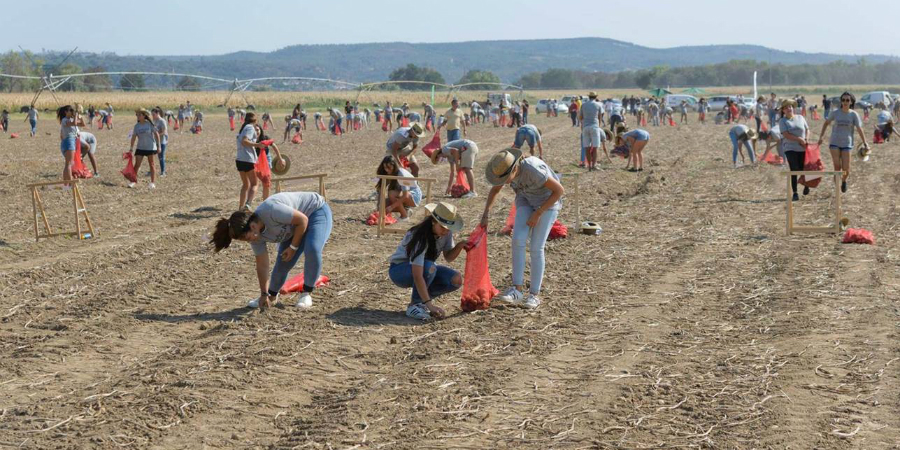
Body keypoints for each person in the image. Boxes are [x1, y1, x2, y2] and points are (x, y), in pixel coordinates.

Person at [210, 191, 331, 310]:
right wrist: (264, 294)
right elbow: (262, 265)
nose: (249, 241)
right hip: (294, 226)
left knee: (312, 248)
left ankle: (306, 293)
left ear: (252, 226)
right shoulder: (254, 236)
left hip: (315, 212)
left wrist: (293, 247)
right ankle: (272, 296)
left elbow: (303, 220)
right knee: (283, 262)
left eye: (247, 238)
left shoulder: (271, 210)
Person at [480, 149, 564, 309]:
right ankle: (516, 291)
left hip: (548, 203)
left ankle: (534, 295)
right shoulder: (503, 169)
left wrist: (538, 213)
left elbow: (559, 191)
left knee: (536, 247)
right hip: (525, 198)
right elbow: (495, 190)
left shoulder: (532, 169)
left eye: (505, 178)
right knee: (518, 239)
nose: (503, 182)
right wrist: (485, 214)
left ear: (514, 169)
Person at [388, 202, 465, 320]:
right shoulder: (420, 236)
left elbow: (448, 257)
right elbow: (417, 274)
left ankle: (421, 302)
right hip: (400, 271)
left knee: (455, 279)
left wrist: (460, 245)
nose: (446, 231)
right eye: (443, 227)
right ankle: (415, 304)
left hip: (425, 268)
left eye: (448, 229)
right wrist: (430, 305)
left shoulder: (446, 234)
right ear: (433, 221)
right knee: (429, 267)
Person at [817, 92, 867, 194]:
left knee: (846, 169)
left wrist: (865, 142)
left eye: (847, 100)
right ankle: (836, 189)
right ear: (841, 101)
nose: (845, 102)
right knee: (837, 167)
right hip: (834, 142)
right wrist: (821, 136)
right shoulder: (835, 113)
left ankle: (844, 181)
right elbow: (826, 123)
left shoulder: (854, 114)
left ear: (851, 102)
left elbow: (859, 128)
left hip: (847, 143)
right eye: (843, 100)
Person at [778, 99, 809, 201]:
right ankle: (795, 193)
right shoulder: (783, 121)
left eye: (790, 106)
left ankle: (806, 184)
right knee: (794, 169)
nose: (789, 108)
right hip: (790, 148)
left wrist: (806, 139)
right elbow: (786, 134)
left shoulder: (800, 117)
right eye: (786, 107)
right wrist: (798, 139)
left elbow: (807, 129)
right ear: (783, 110)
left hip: (803, 148)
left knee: (803, 168)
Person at [235, 112, 266, 210]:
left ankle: (240, 207)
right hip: (248, 159)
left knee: (245, 184)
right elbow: (245, 141)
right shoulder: (249, 128)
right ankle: (248, 204)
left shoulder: (243, 129)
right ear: (255, 120)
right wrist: (258, 145)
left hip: (240, 160)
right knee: (254, 184)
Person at [376, 156, 421, 220]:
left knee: (391, 193)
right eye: (385, 167)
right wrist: (379, 207)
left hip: (414, 196)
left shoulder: (401, 174)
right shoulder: (388, 173)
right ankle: (406, 210)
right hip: (403, 195)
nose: (386, 170)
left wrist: (392, 207)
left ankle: (404, 216)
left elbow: (406, 195)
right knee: (383, 206)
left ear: (394, 166)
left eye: (389, 167)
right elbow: (381, 189)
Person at [128, 109, 161, 189]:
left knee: (152, 164)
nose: (137, 116)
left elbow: (157, 134)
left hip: (150, 147)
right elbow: (133, 137)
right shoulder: (136, 126)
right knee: (137, 165)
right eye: (137, 115)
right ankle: (133, 181)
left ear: (144, 116)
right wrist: (131, 148)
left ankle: (152, 183)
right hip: (140, 147)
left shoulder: (149, 124)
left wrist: (158, 146)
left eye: (139, 115)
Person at [579, 92, 604, 171]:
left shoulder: (583, 105)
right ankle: (594, 165)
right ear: (596, 97)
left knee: (587, 148)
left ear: (589, 97)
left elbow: (580, 117)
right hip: (594, 127)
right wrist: (598, 126)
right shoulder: (598, 105)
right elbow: (600, 117)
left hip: (585, 127)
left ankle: (589, 165)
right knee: (595, 148)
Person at [56, 105, 78, 183]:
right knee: (69, 164)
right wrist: (76, 115)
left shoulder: (67, 120)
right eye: (70, 110)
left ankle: (66, 182)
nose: (72, 112)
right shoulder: (64, 120)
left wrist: (77, 116)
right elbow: (75, 123)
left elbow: (79, 124)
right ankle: (70, 182)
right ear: (66, 112)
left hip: (67, 142)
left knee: (67, 164)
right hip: (69, 142)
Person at [151, 108, 169, 177]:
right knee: (151, 156)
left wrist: (157, 134)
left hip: (162, 142)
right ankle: (152, 171)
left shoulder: (162, 121)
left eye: (153, 114)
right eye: (152, 115)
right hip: (154, 141)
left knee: (161, 157)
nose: (152, 116)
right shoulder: (154, 120)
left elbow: (164, 132)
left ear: (157, 113)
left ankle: (163, 172)